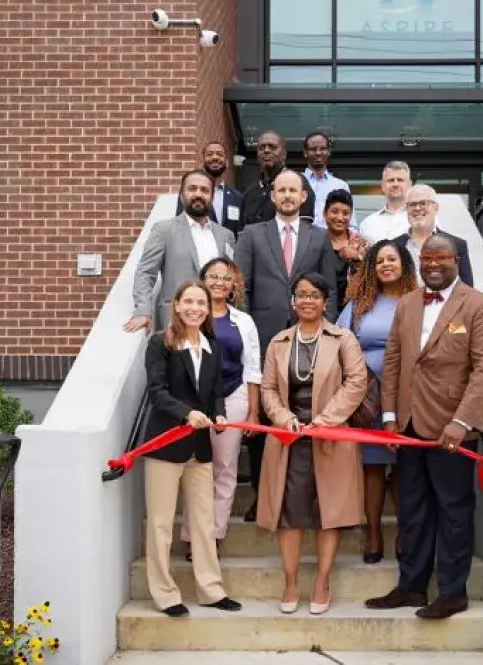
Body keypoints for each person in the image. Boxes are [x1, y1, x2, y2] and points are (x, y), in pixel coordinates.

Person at [365, 233, 483, 620]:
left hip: (451, 430)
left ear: (457, 259)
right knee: (412, 510)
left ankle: (453, 592)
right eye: (427, 259)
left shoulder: (479, 305)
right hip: (407, 426)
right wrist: (390, 417)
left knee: (454, 511)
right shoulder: (408, 303)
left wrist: (462, 421)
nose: (433, 265)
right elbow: (392, 361)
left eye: (441, 258)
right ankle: (411, 586)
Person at [257, 272, 367, 615]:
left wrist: (325, 421)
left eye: (314, 295)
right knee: (289, 513)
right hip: (289, 438)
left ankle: (322, 581)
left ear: (325, 301)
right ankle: (290, 582)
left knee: (328, 512)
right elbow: (268, 389)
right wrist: (282, 418)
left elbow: (357, 382)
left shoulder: (343, 338)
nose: (307, 300)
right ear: (293, 300)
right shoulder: (278, 341)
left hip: (330, 436)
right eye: (301, 294)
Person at [234, 168, 340, 522]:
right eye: (281, 190)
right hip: (265, 339)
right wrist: (246, 332)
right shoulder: (251, 235)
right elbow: (241, 288)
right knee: (268, 414)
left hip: (310, 337)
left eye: (293, 190)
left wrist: (330, 335)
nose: (287, 196)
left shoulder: (319, 237)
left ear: (304, 196)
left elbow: (332, 291)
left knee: (305, 412)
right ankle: (263, 496)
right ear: (273, 196)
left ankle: (306, 495)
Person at [142, 280, 243, 617]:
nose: (195, 308)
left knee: (203, 521)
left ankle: (211, 590)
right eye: (189, 301)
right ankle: (165, 594)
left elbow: (215, 393)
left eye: (201, 302)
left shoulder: (212, 344)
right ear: (177, 304)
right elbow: (157, 391)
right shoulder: (161, 343)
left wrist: (219, 415)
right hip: (166, 444)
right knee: (160, 523)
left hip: (200, 447)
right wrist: (186, 413)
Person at [336, 239, 418, 564]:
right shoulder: (360, 303)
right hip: (368, 396)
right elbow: (341, 341)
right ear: (371, 267)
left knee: (404, 467)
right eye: (379, 260)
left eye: (392, 259)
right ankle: (372, 533)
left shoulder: (418, 301)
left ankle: (403, 532)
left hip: (408, 393)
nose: (386, 264)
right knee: (372, 466)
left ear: (404, 265)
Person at [180, 258, 262, 560]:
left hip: (233, 396)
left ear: (233, 285)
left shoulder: (243, 321)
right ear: (203, 280)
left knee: (225, 468)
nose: (218, 282)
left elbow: (253, 368)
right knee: (196, 468)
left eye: (225, 278)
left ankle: (214, 534)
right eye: (212, 276)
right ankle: (192, 535)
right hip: (195, 402)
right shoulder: (192, 315)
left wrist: (253, 413)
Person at [126, 169, 236, 333]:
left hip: (216, 323)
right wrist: (143, 310)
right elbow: (145, 272)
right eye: (192, 189)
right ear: (182, 194)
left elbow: (231, 279)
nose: (198, 194)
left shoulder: (226, 235)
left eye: (204, 190)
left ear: (212, 197)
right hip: (176, 322)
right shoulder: (164, 230)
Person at [393, 184, 473, 287]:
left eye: (423, 203)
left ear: (436, 208)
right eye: (412, 204)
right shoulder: (393, 245)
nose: (417, 208)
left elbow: (467, 288)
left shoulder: (457, 244)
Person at [240, 130, 316, 225]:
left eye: (272, 147)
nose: (266, 151)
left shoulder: (299, 183)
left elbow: (304, 229)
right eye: (261, 148)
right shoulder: (249, 193)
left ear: (284, 155)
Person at [175, 140, 244, 235]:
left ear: (227, 163)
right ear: (202, 161)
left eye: (220, 154)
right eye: (210, 154)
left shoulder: (238, 197)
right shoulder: (190, 194)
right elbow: (180, 226)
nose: (215, 157)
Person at [321, 189, 366, 306]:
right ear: (324, 214)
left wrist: (358, 257)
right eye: (334, 212)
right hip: (322, 307)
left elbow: (370, 277)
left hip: (353, 308)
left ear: (351, 216)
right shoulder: (316, 241)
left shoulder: (361, 243)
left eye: (345, 213)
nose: (340, 218)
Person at [300, 131, 354, 229]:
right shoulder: (295, 182)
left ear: (328, 152)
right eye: (313, 149)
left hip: (331, 241)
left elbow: (351, 225)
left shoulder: (341, 185)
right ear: (305, 153)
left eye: (323, 149)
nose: (318, 153)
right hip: (301, 241)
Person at [358, 161, 412, 243]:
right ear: (382, 186)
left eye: (400, 180)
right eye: (390, 180)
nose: (395, 184)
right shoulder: (367, 224)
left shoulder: (422, 219)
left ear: (410, 185)